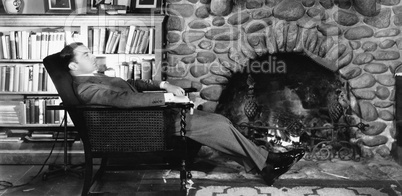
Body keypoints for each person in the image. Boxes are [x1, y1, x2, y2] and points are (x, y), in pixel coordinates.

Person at [59, 43, 305, 185]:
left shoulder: (95, 77)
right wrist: (168, 99)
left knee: (219, 121)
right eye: (85, 54)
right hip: (142, 126)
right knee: (217, 126)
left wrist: (164, 85)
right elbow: (124, 100)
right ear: (72, 65)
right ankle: (268, 162)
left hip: (152, 117)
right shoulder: (86, 87)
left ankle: (265, 163)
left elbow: (132, 84)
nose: (92, 55)